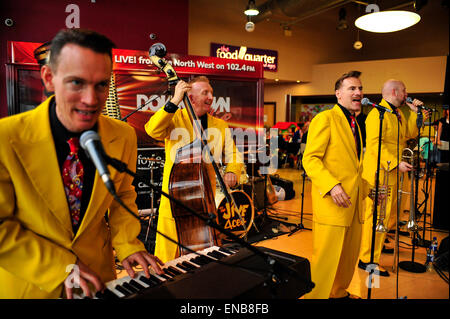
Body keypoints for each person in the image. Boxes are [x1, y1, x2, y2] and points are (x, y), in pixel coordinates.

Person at [0, 29, 163, 299]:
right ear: (49, 78)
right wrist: (60, 267)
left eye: (101, 84)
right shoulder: (6, 138)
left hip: (98, 280)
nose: (91, 100)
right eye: (77, 83)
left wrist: (127, 244)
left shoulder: (123, 135)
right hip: (29, 285)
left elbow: (122, 195)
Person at [145, 76, 243, 263]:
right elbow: (152, 130)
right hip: (175, 202)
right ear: (190, 98)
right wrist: (174, 101)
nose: (210, 97)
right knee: (167, 260)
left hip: (205, 201)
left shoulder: (220, 125)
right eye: (205, 92)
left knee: (205, 257)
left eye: (211, 93)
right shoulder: (173, 118)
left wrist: (232, 170)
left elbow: (234, 154)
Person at [302, 71, 368, 299]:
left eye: (360, 88)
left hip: (353, 206)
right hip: (333, 203)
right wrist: (331, 185)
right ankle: (316, 296)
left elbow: (352, 167)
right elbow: (310, 159)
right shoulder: (325, 118)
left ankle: (338, 293)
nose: (358, 92)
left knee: (347, 258)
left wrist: (369, 190)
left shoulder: (356, 125)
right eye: (352, 88)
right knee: (327, 259)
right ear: (338, 93)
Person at [359, 79, 426, 277]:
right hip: (380, 173)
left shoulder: (396, 114)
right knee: (378, 216)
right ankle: (367, 259)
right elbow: (374, 146)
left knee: (390, 215)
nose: (407, 94)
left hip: (393, 172)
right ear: (395, 92)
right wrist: (396, 162)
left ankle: (377, 247)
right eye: (404, 91)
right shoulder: (376, 115)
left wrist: (416, 115)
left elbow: (409, 134)